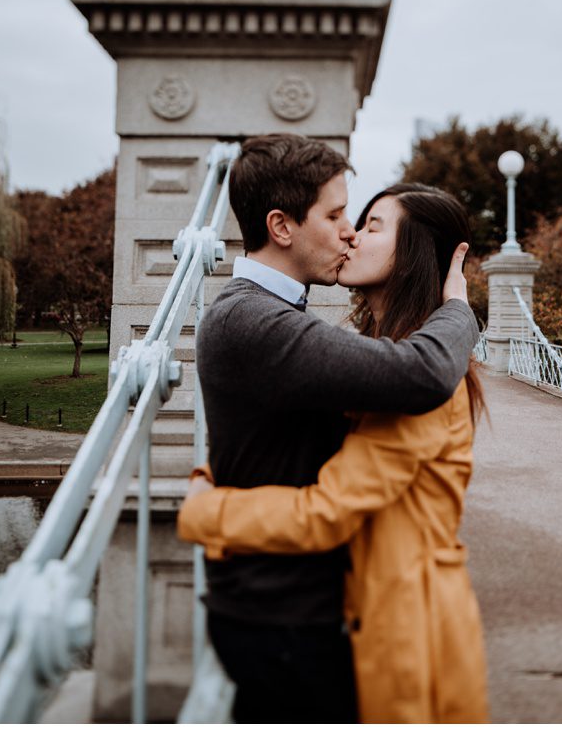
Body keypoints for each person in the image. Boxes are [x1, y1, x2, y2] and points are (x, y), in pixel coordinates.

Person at [191, 134, 479, 723]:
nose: (349, 231)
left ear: (414, 253)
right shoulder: (261, 320)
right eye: (339, 215)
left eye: (367, 223)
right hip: (290, 615)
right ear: (282, 226)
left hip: (391, 615)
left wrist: (203, 510)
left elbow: (328, 496)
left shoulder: (378, 357)